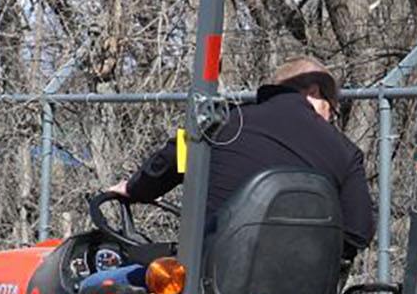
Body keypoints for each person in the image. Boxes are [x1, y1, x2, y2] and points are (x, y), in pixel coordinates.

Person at [109, 56, 375, 251]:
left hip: (212, 292)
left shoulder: (221, 123)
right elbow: (359, 233)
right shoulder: (346, 152)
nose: (330, 119)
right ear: (315, 93)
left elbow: (168, 161)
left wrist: (135, 188)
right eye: (332, 109)